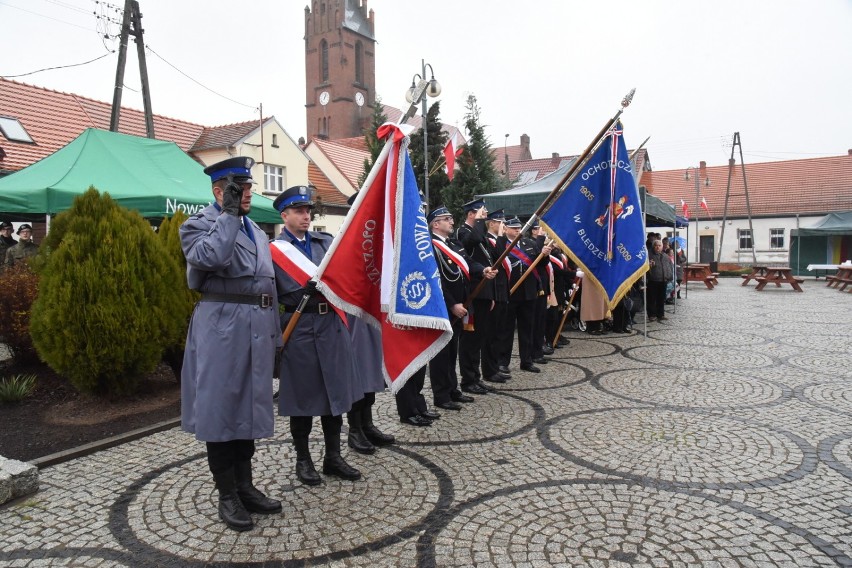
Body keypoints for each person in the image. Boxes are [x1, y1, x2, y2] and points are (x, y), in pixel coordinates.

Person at [180, 156, 282, 532]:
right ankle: (227, 493)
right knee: (222, 410)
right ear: (218, 191)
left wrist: (276, 339)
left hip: (256, 325)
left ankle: (246, 486)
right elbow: (210, 257)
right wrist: (226, 215)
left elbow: (266, 285)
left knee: (249, 409)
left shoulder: (255, 228)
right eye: (240, 189)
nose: (248, 195)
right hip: (222, 327)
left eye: (250, 188)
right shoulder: (198, 225)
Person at [272, 185, 361, 486]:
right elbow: (271, 296)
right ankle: (303, 459)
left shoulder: (326, 243)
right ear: (284, 215)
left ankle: (333, 457)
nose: (305, 216)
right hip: (299, 328)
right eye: (298, 211)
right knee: (302, 398)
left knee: (335, 395)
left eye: (308, 210)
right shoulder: (274, 251)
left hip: (331, 326)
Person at [428, 206, 496, 410]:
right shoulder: (431, 247)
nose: (451, 221)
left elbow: (468, 261)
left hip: (461, 304)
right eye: (446, 219)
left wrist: (482, 270)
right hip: (445, 307)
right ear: (436, 224)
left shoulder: (453, 244)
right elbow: (436, 280)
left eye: (451, 218)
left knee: (452, 352)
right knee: (441, 354)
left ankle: (452, 389)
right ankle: (441, 396)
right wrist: (452, 304)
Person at [456, 198, 506, 393]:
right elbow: (471, 242)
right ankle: (468, 380)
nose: (485, 217)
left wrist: (500, 235)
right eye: (482, 213)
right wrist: (477, 221)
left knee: (480, 337)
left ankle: (475, 377)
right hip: (473, 293)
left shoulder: (481, 234)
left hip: (485, 292)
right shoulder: (464, 232)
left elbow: (496, 257)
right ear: (471, 214)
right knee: (470, 338)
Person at [499, 217, 541, 373]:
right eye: (514, 228)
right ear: (506, 229)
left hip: (528, 292)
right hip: (510, 292)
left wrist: (545, 254)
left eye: (519, 228)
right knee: (506, 329)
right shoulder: (502, 244)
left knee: (527, 328)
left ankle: (527, 360)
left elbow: (540, 264)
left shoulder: (528, 244)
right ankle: (503, 361)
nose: (518, 230)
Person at [646, 239, 673, 321]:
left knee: (661, 299)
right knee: (652, 299)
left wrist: (670, 276)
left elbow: (669, 266)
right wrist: (649, 265)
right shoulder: (649, 255)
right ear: (653, 246)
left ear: (662, 247)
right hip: (653, 280)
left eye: (659, 245)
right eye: (656, 245)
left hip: (663, 280)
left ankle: (660, 314)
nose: (658, 247)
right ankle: (652, 315)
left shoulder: (665, 256)